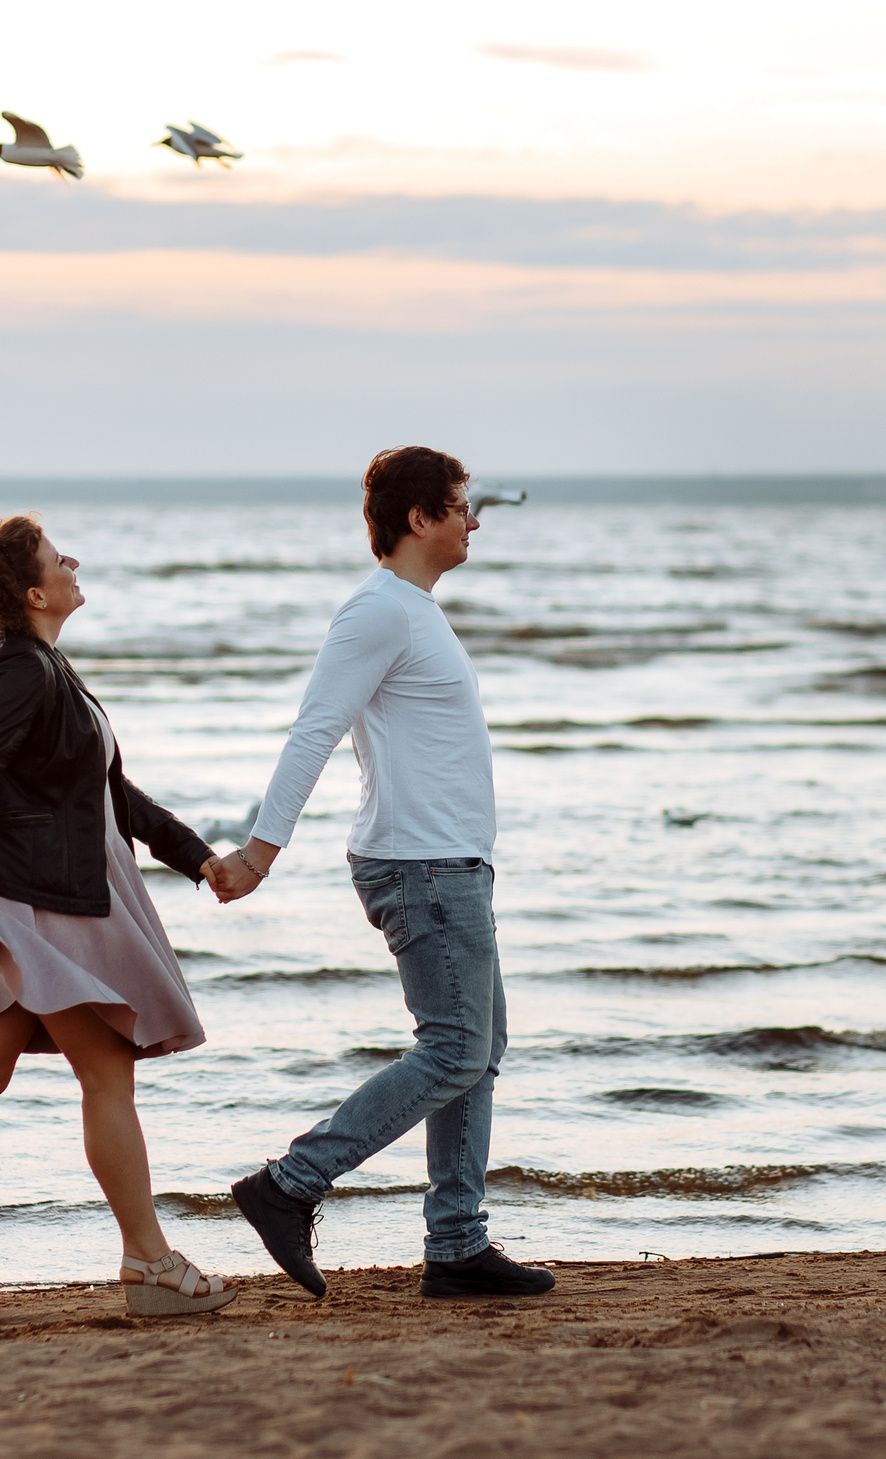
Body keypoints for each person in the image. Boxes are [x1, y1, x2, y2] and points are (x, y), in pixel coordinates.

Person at [0, 514, 252, 1327]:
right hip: (39, 903)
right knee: (105, 1075)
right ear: (35, 593)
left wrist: (197, 856)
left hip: (37, 893)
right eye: (56, 558)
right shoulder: (18, 672)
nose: (73, 561)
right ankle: (149, 1260)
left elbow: (108, 793)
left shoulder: (43, 665)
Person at [211, 446, 554, 1300]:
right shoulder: (380, 613)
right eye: (461, 505)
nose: (475, 521)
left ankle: (456, 1243)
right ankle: (290, 1183)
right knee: (454, 1049)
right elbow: (313, 730)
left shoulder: (414, 611)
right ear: (419, 518)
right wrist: (260, 851)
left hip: (450, 865)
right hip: (421, 865)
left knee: (477, 1050)